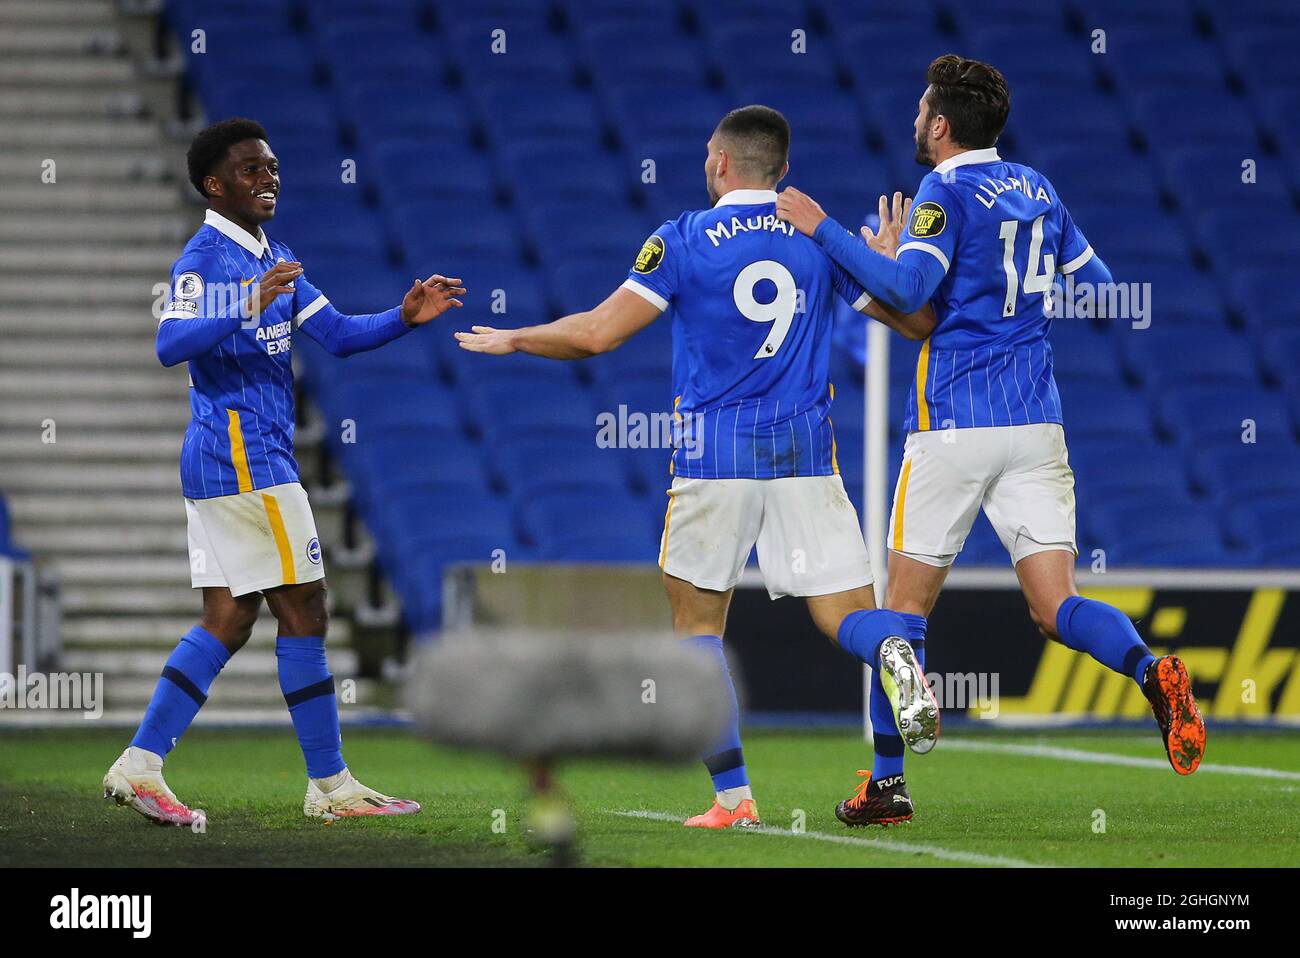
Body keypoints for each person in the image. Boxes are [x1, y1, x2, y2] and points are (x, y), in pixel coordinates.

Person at [457, 106, 938, 828]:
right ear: (781, 169)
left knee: (698, 630)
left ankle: (733, 799)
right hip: (806, 455)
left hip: (715, 456)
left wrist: (518, 338)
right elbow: (913, 321)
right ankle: (895, 648)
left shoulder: (683, 237)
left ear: (720, 162)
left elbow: (596, 335)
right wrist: (889, 261)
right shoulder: (818, 237)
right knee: (848, 617)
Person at [776, 57, 1207, 813]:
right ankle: (1147, 670)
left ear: (940, 127)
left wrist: (828, 232)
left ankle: (886, 784)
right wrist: (1011, 309)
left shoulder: (946, 189)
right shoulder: (1038, 188)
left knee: (902, 619)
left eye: (920, 111)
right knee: (1056, 607)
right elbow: (1101, 290)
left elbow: (910, 294)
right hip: (1036, 423)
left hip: (953, 424)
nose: (915, 121)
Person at [102, 117, 465, 825]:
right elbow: (170, 343)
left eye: (271, 167)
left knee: (229, 619)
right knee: (306, 609)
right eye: (250, 170)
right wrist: (246, 302)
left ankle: (140, 764)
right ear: (215, 185)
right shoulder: (205, 260)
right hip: (244, 461)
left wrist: (405, 315)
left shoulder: (274, 254)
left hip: (235, 464)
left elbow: (337, 334)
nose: (269, 179)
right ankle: (331, 789)